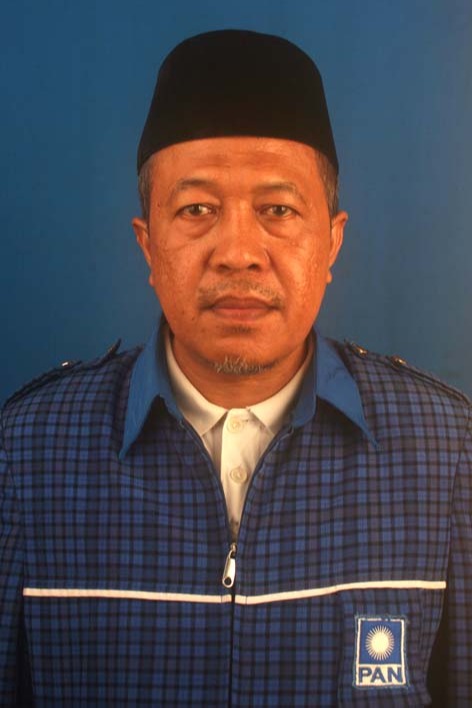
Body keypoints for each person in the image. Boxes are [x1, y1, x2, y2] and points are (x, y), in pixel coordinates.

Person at [0, 29, 470, 707]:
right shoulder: (27, 452)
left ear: (332, 241)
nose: (238, 251)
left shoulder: (445, 449)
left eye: (278, 210)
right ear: (148, 245)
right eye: (197, 210)